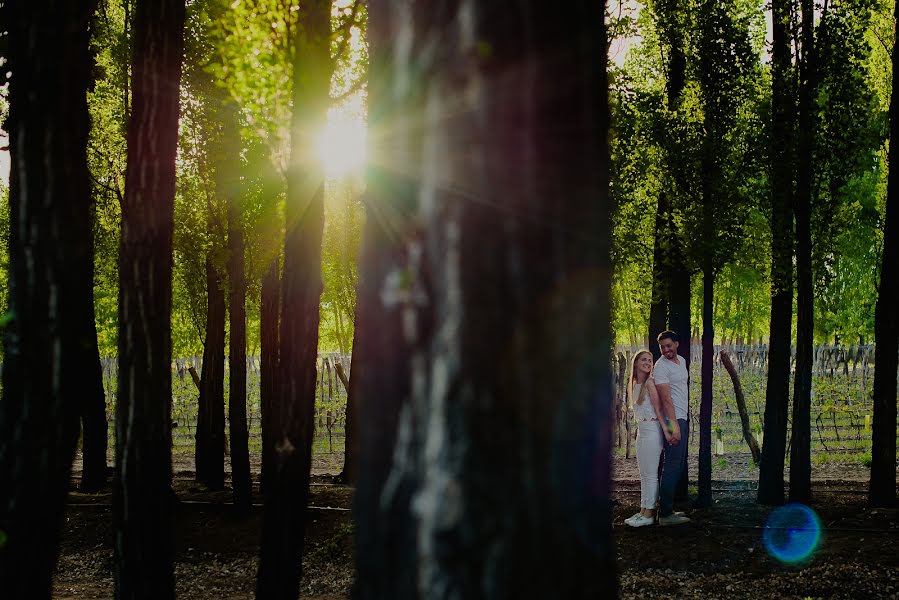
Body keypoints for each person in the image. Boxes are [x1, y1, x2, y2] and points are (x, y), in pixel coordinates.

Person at [624, 350, 674, 527]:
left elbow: (660, 411)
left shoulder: (650, 384)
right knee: (643, 474)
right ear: (636, 362)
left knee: (651, 474)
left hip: (653, 431)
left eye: (650, 360)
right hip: (642, 431)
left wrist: (668, 432)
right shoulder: (635, 384)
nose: (647, 362)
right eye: (644, 359)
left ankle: (650, 513)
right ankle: (643, 510)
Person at [653, 330, 690, 525]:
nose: (666, 350)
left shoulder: (681, 361)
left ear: (676, 344)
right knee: (672, 466)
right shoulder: (660, 368)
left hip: (681, 417)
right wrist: (674, 425)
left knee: (677, 466)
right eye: (662, 347)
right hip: (672, 419)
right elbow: (666, 400)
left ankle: (669, 509)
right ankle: (665, 514)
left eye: (668, 346)